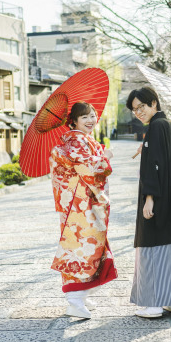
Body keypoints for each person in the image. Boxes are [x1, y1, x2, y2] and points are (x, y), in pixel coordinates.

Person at [126, 86, 171, 318]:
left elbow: (154, 168)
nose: (138, 112)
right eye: (135, 109)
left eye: (142, 107)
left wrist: (149, 199)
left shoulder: (156, 128)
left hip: (158, 200)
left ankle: (155, 304)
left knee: (153, 247)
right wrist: (146, 147)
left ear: (154, 103)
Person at [49, 101, 117, 319]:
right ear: (74, 121)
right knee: (79, 246)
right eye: (84, 117)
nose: (90, 120)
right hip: (79, 208)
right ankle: (74, 301)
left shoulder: (80, 140)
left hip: (78, 205)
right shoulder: (76, 141)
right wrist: (105, 158)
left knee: (88, 246)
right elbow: (88, 168)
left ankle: (81, 296)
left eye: (92, 116)